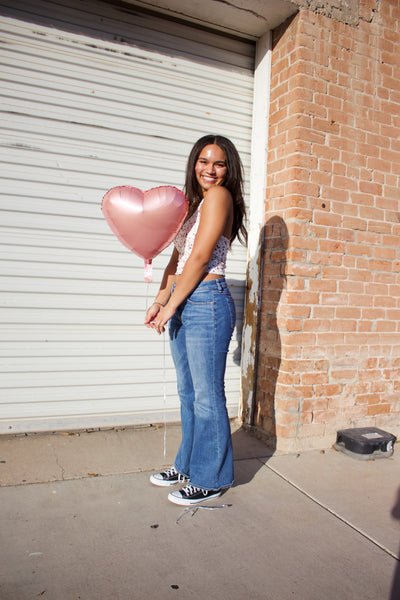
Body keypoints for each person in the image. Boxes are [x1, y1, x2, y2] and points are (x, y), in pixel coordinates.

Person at [144, 134, 247, 506]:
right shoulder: (192, 205)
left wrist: (172, 307)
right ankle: (188, 464)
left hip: (206, 302)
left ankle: (212, 477)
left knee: (206, 396)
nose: (210, 169)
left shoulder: (219, 197)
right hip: (184, 300)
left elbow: (201, 257)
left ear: (228, 168)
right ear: (194, 164)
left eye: (218, 163)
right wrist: (160, 300)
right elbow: (176, 260)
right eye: (204, 161)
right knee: (188, 393)